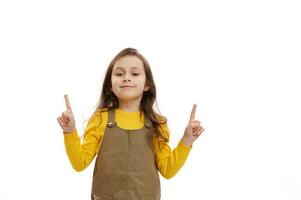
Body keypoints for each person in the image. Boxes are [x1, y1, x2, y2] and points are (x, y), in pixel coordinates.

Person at [57, 47, 205, 200]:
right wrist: (70, 131)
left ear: (147, 84)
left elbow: (168, 170)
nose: (126, 78)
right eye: (119, 74)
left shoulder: (157, 124)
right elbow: (79, 163)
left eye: (135, 74)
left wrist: (186, 141)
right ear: (110, 85)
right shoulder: (100, 119)